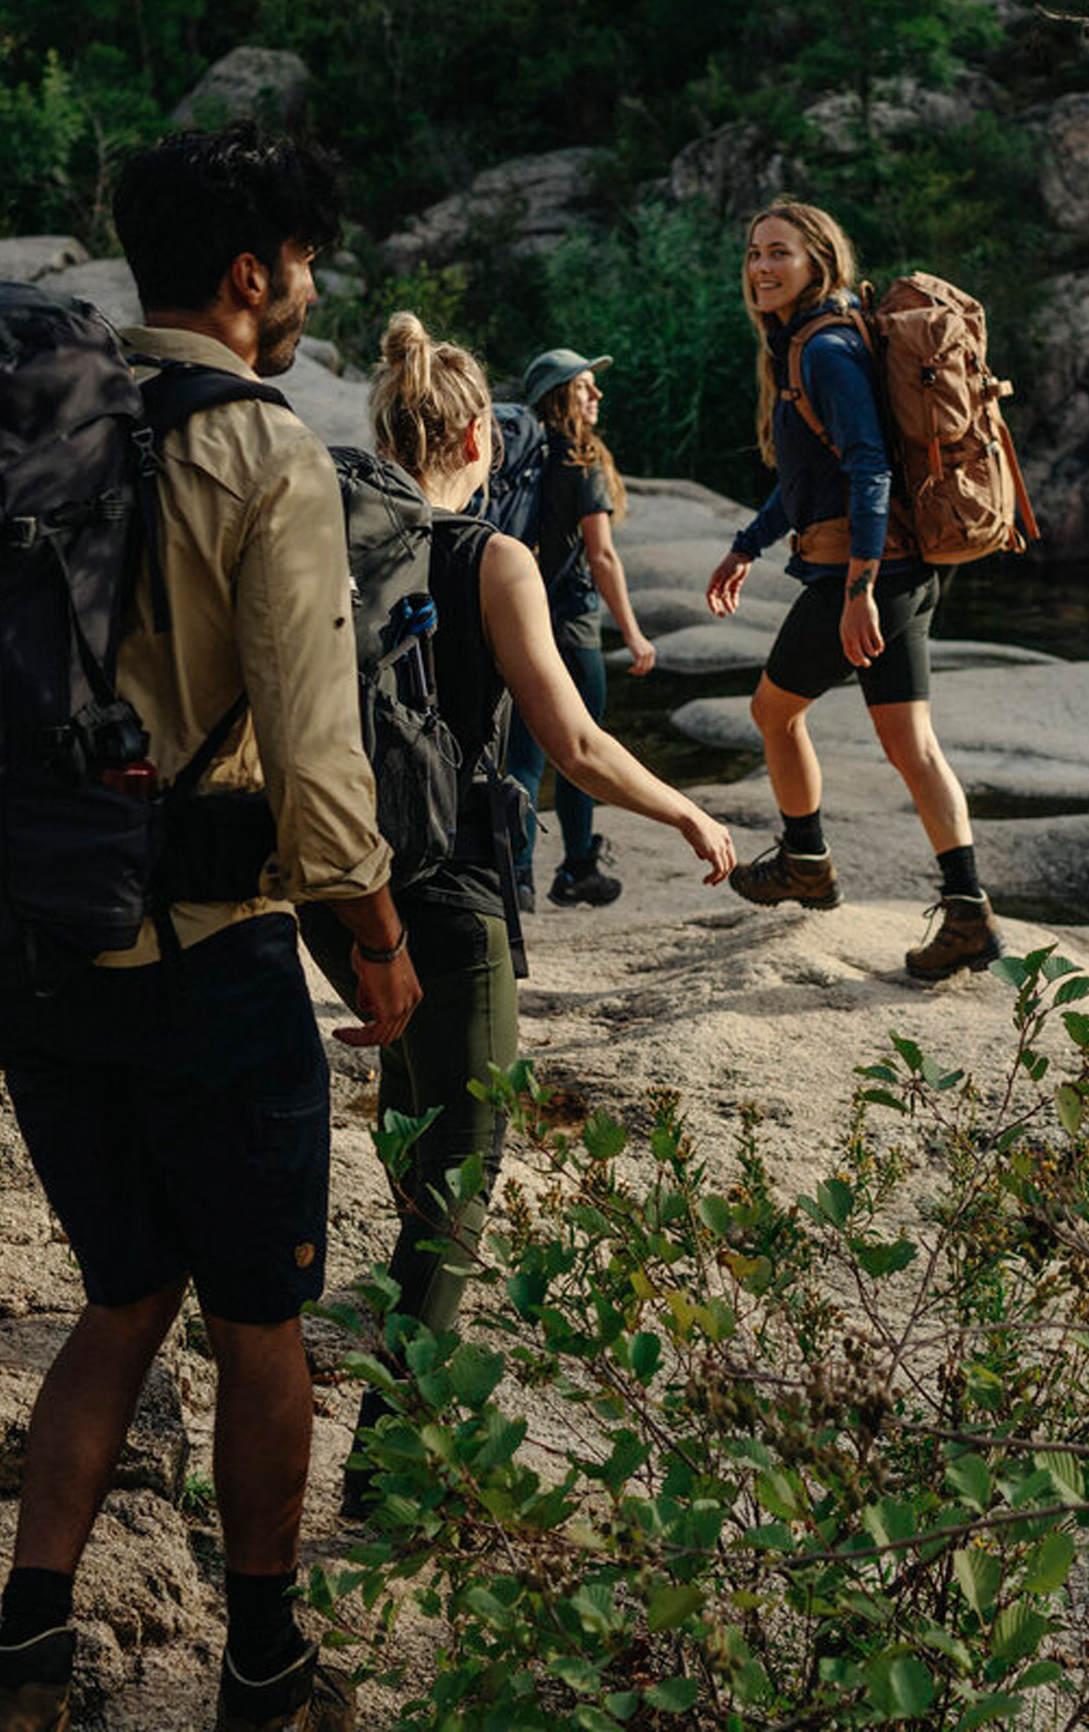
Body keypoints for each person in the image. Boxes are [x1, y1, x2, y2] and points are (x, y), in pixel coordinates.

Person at [0, 125, 421, 1732]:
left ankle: (23, 1651)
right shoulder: (261, 452)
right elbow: (315, 762)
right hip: (203, 963)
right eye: (302, 266)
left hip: (26, 955)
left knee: (121, 1296)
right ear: (251, 273)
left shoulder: (32, 422)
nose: (307, 293)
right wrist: (374, 936)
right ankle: (269, 1667)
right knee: (262, 1320)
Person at [303, 311, 735, 1510]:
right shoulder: (493, 560)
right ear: (478, 443)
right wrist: (688, 817)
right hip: (447, 891)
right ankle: (393, 1469)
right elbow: (580, 744)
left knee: (416, 1115)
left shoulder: (332, 547)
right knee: (466, 1160)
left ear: (389, 433)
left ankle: (403, 1334)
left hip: (342, 892)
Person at [702, 199, 1006, 981]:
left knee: (773, 712)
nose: (762, 266)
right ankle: (968, 913)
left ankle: (806, 860)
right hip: (901, 570)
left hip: (863, 572)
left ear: (819, 262)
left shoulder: (827, 348)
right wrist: (746, 545)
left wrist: (859, 589)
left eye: (780, 252)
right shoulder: (818, 340)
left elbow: (869, 467)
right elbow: (811, 480)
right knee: (913, 747)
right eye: (753, 252)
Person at [499, 346, 660, 909]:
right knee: (582, 747)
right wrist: (634, 633)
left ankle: (514, 876)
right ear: (562, 394)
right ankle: (576, 869)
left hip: (519, 621)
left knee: (524, 752)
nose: (598, 395)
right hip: (571, 626)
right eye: (586, 387)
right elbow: (603, 555)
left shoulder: (521, 455)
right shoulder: (580, 459)